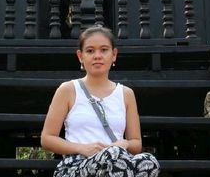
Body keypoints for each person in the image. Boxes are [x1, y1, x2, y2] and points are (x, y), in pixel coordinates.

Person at [41, 25, 160, 177]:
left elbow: (136, 144)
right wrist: (82, 148)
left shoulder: (126, 93)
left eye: (104, 50)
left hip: (118, 161)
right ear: (80, 56)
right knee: (113, 155)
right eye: (90, 51)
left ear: (114, 54)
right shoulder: (68, 90)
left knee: (149, 162)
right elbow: (47, 138)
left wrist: (125, 144)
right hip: (76, 165)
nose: (97, 55)